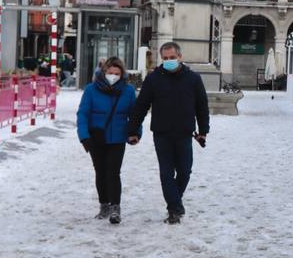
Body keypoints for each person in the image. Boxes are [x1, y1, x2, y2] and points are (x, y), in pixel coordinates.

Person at [128, 42, 209, 224]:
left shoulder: (193, 79)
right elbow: (141, 106)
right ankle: (175, 209)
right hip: (162, 133)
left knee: (185, 172)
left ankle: (174, 202)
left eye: (172, 58)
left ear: (180, 57)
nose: (169, 61)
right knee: (166, 173)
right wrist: (133, 130)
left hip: (184, 133)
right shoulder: (153, 79)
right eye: (165, 58)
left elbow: (202, 107)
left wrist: (203, 131)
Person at [76, 57, 139, 225]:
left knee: (113, 172)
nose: (113, 76)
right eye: (110, 73)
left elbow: (134, 115)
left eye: (117, 73)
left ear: (122, 74)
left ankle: (115, 207)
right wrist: (84, 136)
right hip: (96, 137)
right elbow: (82, 114)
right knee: (100, 171)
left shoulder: (128, 91)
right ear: (104, 72)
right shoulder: (91, 90)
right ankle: (104, 204)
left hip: (118, 137)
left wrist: (135, 133)